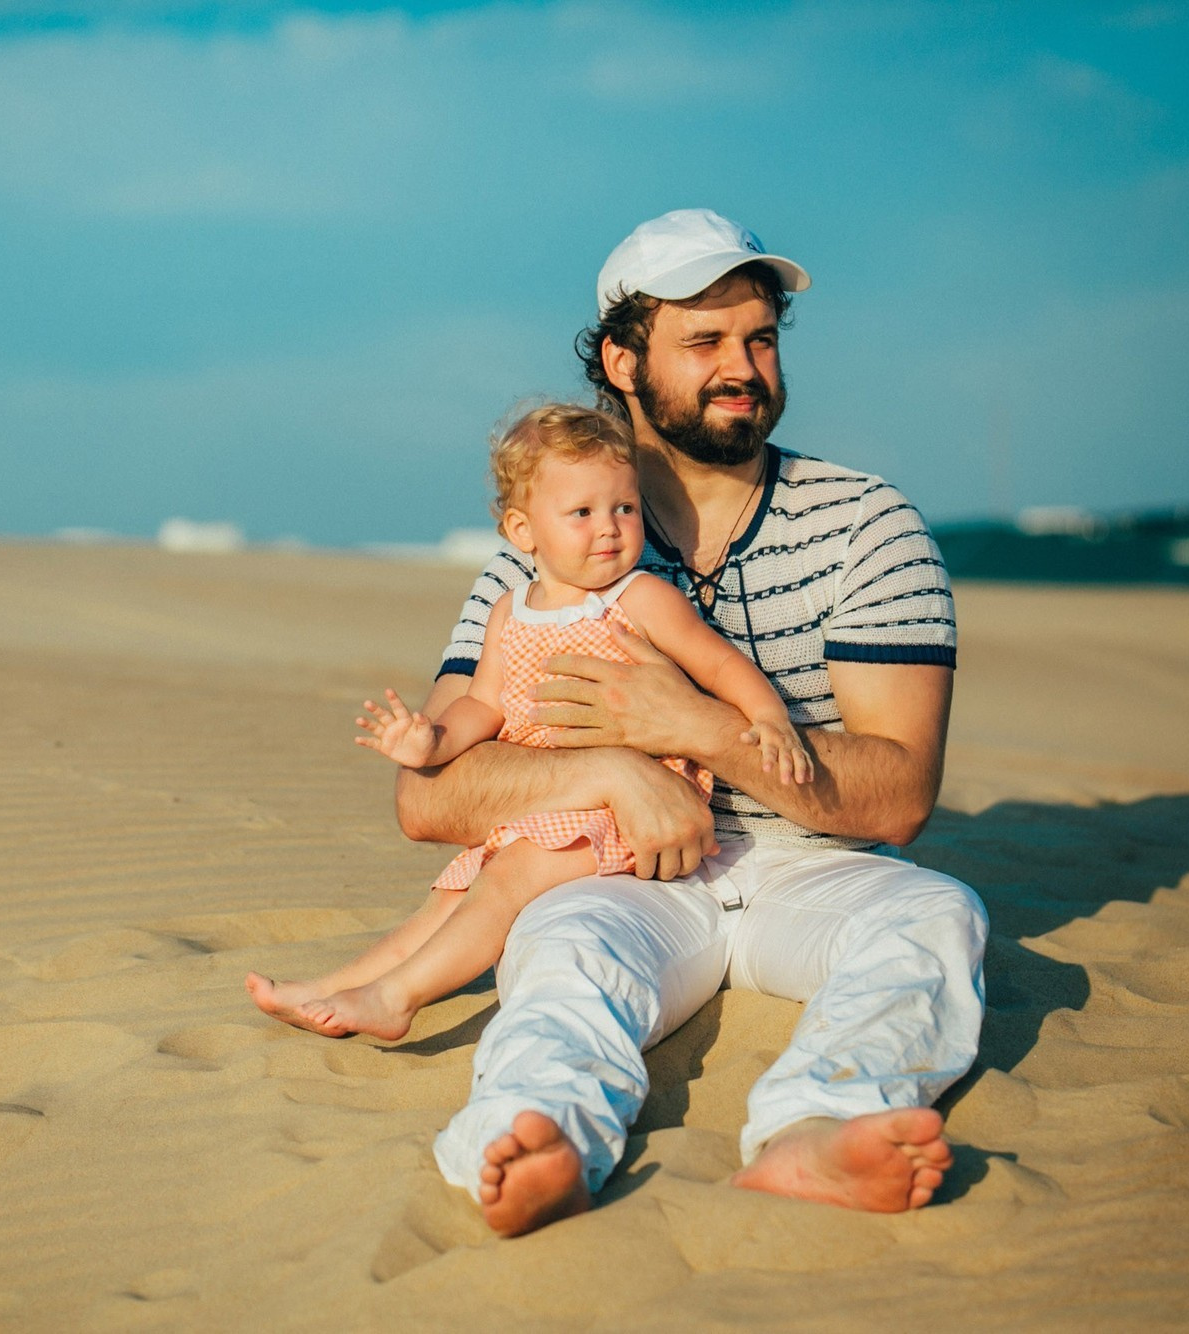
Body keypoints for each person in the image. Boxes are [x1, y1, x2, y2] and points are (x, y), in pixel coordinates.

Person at [404, 209, 988, 1237]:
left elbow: (897, 793)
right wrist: (619, 775)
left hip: (812, 866)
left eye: (759, 337)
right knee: (561, 949)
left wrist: (695, 725)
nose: (743, 366)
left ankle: (819, 1126)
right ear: (623, 361)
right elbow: (429, 795)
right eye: (705, 340)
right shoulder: (554, 539)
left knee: (933, 917)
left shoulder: (866, 523)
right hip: (624, 874)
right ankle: (536, 1136)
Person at [245, 404, 812, 1043]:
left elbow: (719, 663)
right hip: (548, 802)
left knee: (504, 882)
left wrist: (768, 716)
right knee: (449, 897)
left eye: (624, 508)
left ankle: (398, 997)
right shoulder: (510, 611)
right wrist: (431, 741)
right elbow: (482, 705)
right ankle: (331, 989)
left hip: (627, 809)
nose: (610, 529)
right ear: (523, 529)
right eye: (582, 513)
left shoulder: (639, 598)